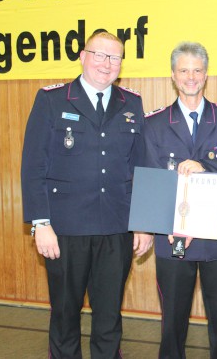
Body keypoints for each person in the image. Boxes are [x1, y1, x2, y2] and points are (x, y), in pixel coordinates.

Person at [21, 30, 153, 359]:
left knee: (109, 317)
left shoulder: (131, 103)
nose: (106, 63)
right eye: (99, 54)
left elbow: (143, 166)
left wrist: (145, 223)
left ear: (121, 64)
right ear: (82, 56)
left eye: (114, 57)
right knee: (65, 315)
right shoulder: (52, 100)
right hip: (65, 230)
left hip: (116, 228)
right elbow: (33, 166)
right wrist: (41, 223)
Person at [141, 41, 217, 359]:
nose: (191, 77)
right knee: (172, 324)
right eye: (184, 70)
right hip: (173, 237)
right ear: (173, 76)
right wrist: (152, 228)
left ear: (206, 75)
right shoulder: (154, 123)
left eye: (197, 70)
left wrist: (206, 166)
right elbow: (149, 177)